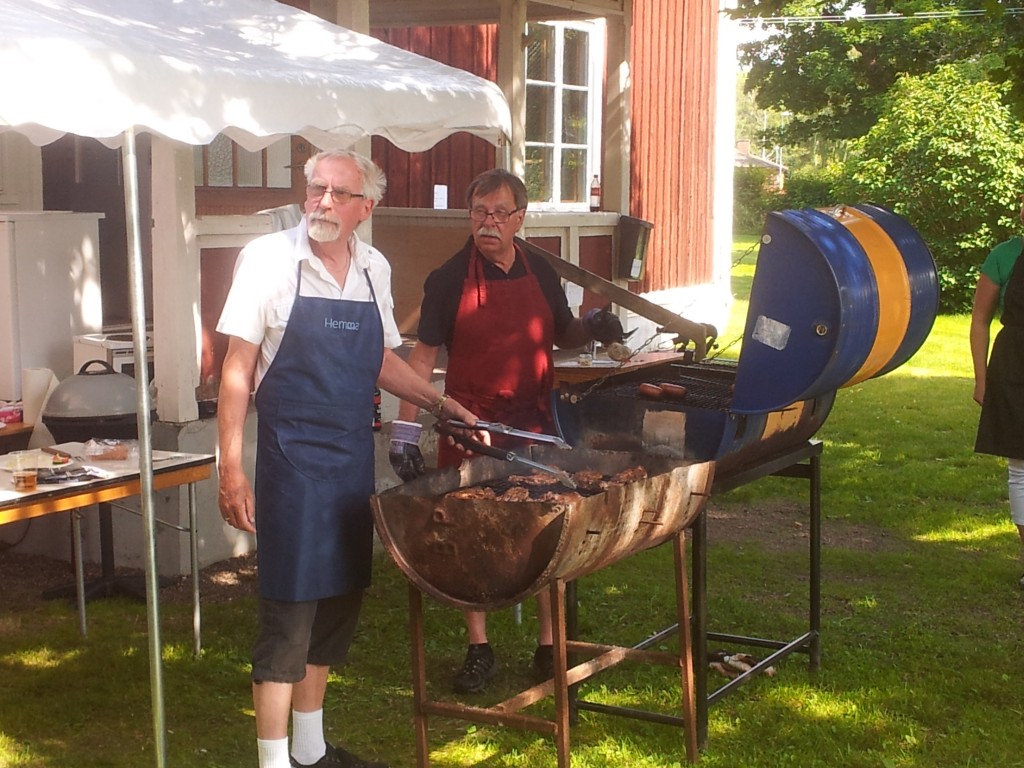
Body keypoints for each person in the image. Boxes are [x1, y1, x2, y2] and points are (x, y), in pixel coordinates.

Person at [216, 148, 478, 768]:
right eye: (316, 189)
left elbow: (381, 361)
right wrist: (229, 466)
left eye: (338, 193)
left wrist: (442, 404)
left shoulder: (373, 269)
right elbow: (236, 369)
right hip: (290, 466)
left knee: (336, 606)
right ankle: (273, 762)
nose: (323, 203)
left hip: (349, 465)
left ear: (367, 206)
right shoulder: (268, 261)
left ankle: (311, 753)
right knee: (290, 614)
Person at [389, 168, 625, 694]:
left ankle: (548, 645)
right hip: (471, 427)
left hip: (535, 421)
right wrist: (404, 432)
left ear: (520, 218)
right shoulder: (449, 278)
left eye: (499, 213)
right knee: (470, 534)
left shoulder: (539, 269)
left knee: (547, 530)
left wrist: (591, 327)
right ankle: (479, 647)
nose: (488, 223)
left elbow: (560, 333)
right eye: (479, 213)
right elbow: (422, 357)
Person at [971, 192, 1024, 589]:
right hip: (1013, 366)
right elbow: (979, 321)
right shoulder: (1003, 255)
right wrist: (981, 379)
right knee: (1021, 468)